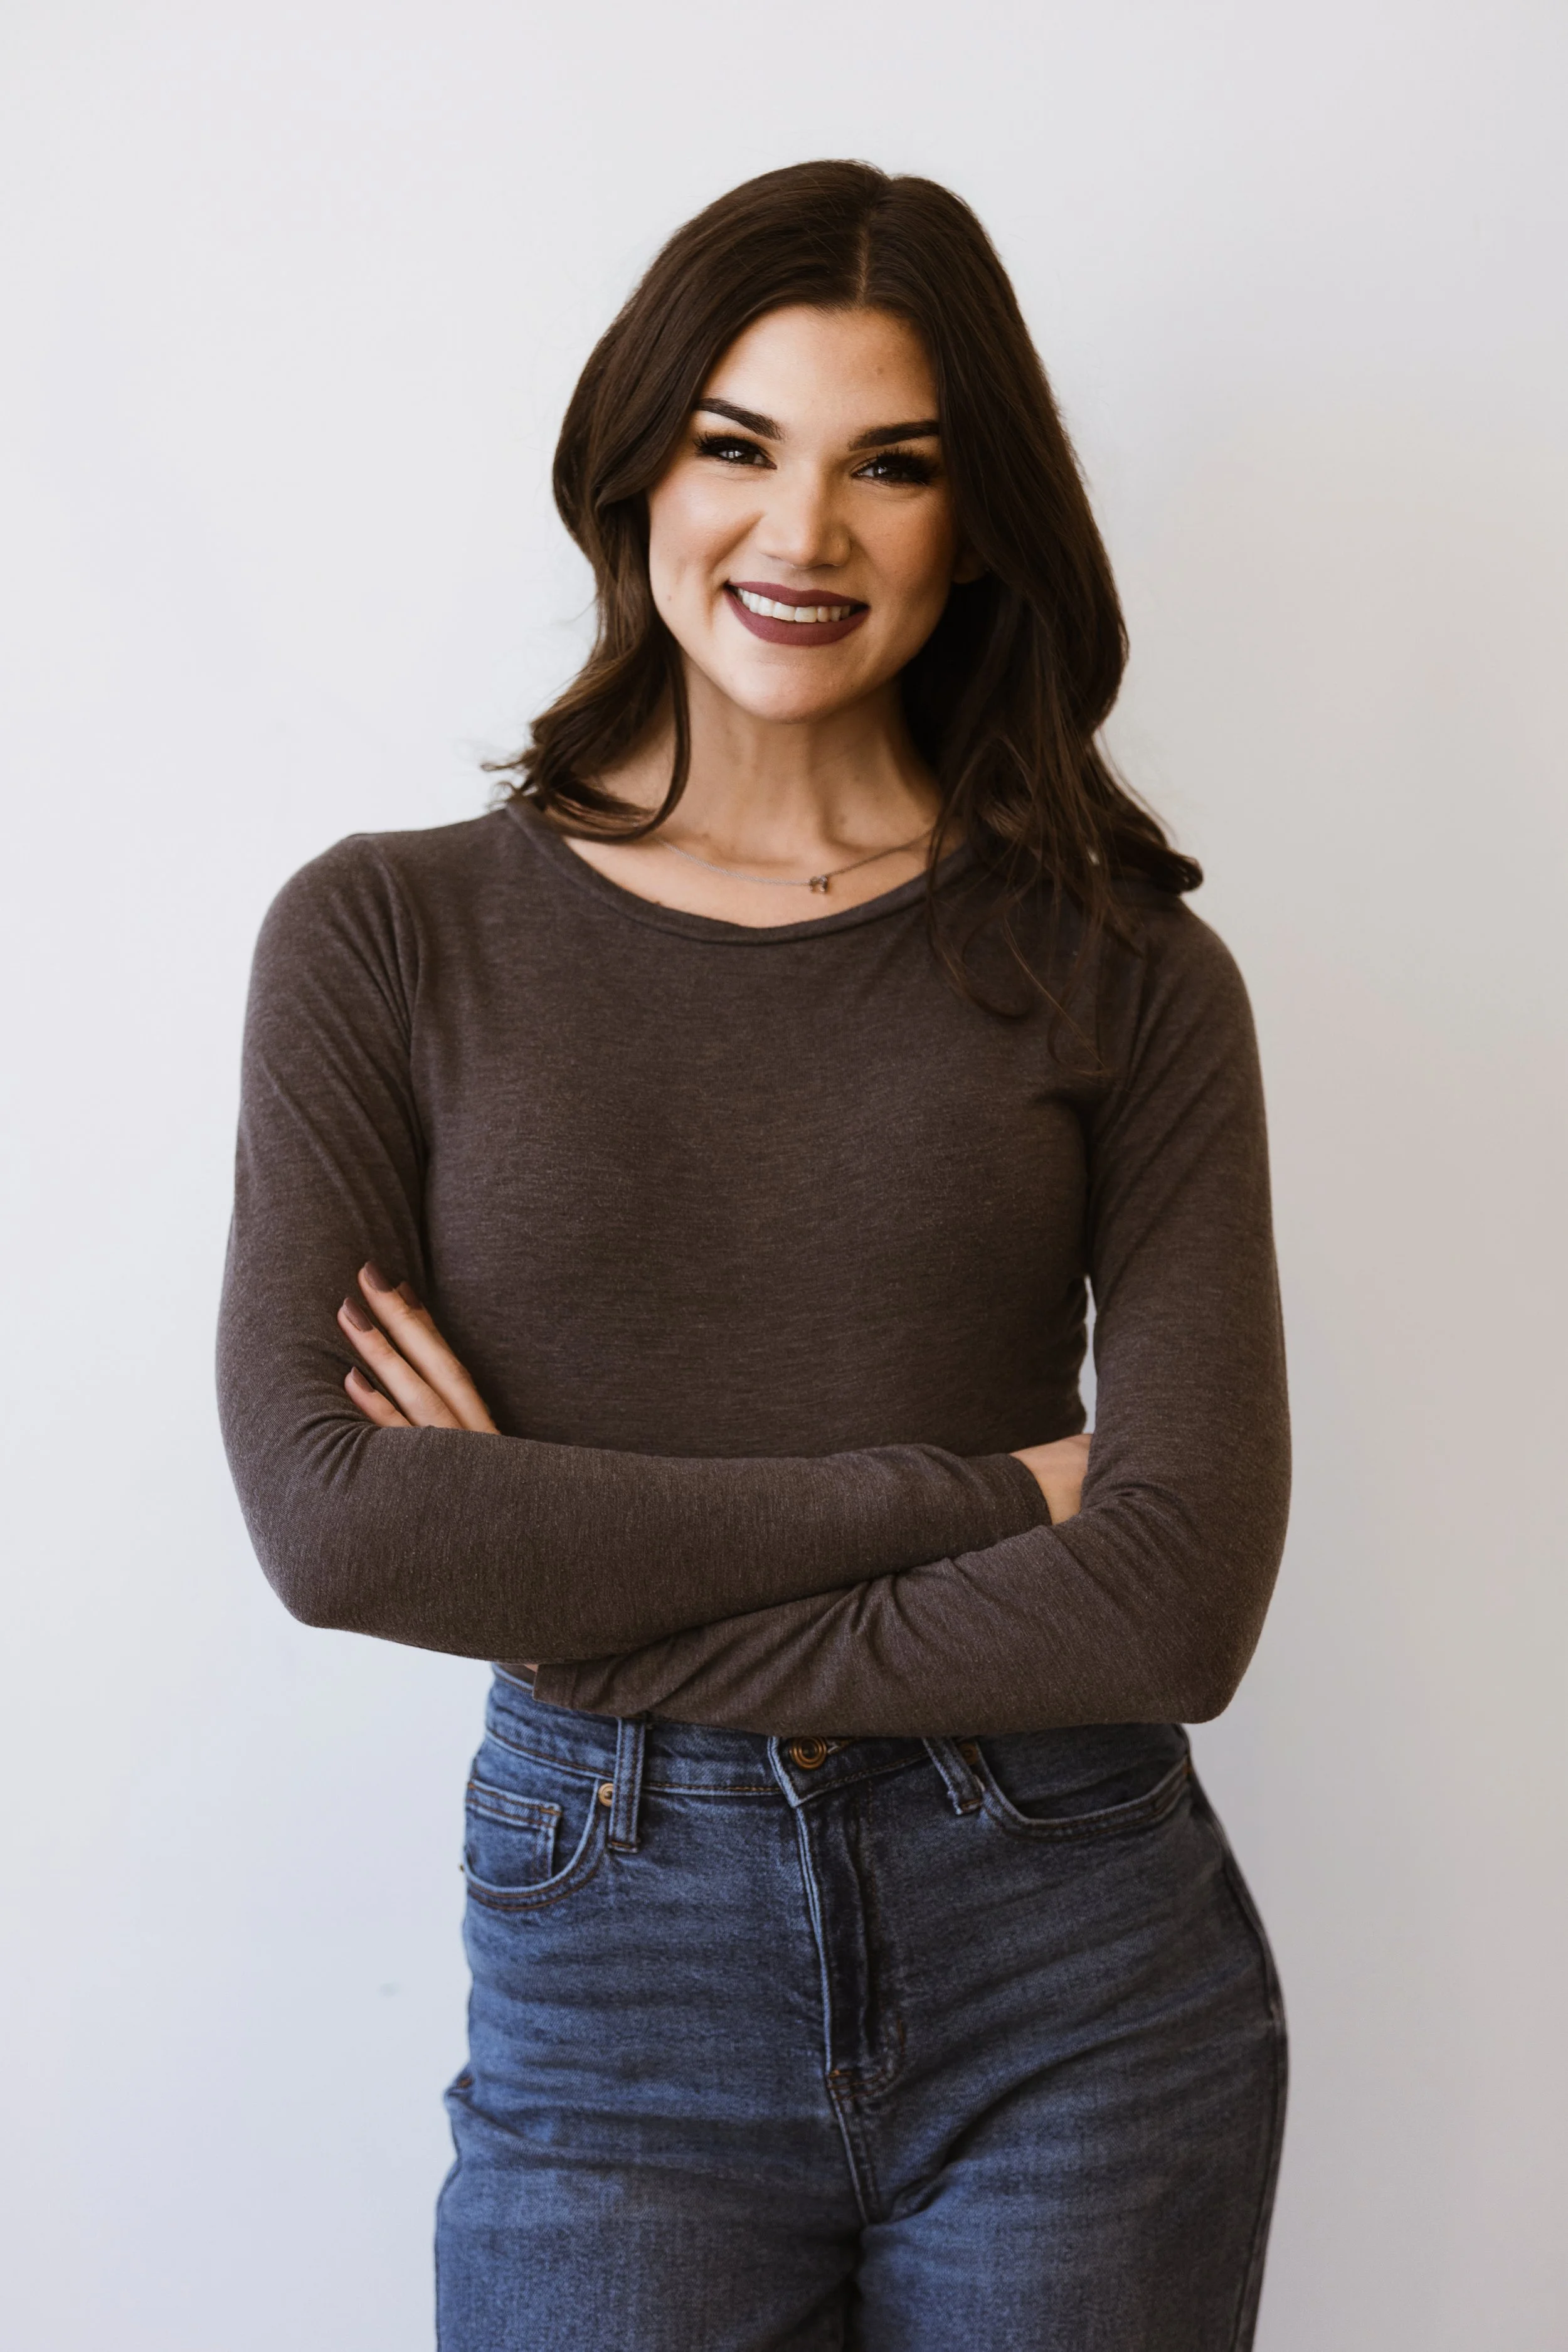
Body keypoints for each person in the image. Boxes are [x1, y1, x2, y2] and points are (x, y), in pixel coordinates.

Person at [218, 158, 1291, 2351]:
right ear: (636, 466)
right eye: (737, 444)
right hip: (610, 1987)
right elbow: (338, 1528)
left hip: (1077, 1969)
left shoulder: (1124, 967)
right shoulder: (388, 932)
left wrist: (575, 1587)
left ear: (972, 519)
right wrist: (985, 1491)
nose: (799, 535)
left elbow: (1177, 1591)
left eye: (889, 467)